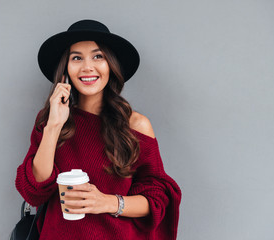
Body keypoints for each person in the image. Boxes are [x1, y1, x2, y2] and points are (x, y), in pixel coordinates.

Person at [15, 19, 181, 240]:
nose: (87, 67)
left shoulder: (136, 125)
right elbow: (33, 191)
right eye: (76, 58)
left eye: (98, 56)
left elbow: (158, 198)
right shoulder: (50, 121)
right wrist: (54, 125)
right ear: (65, 70)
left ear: (110, 65)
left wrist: (106, 202)